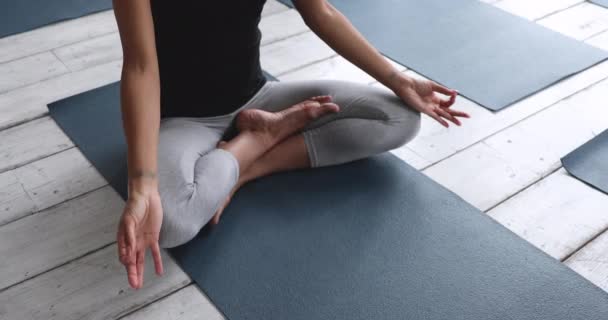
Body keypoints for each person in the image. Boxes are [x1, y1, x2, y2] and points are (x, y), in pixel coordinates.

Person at [113, 0, 470, 290]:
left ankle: (245, 165)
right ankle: (257, 138)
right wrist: (142, 187)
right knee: (171, 224)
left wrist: (397, 79)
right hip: (184, 122)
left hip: (258, 97)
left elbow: (321, 12)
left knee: (399, 118)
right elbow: (141, 68)